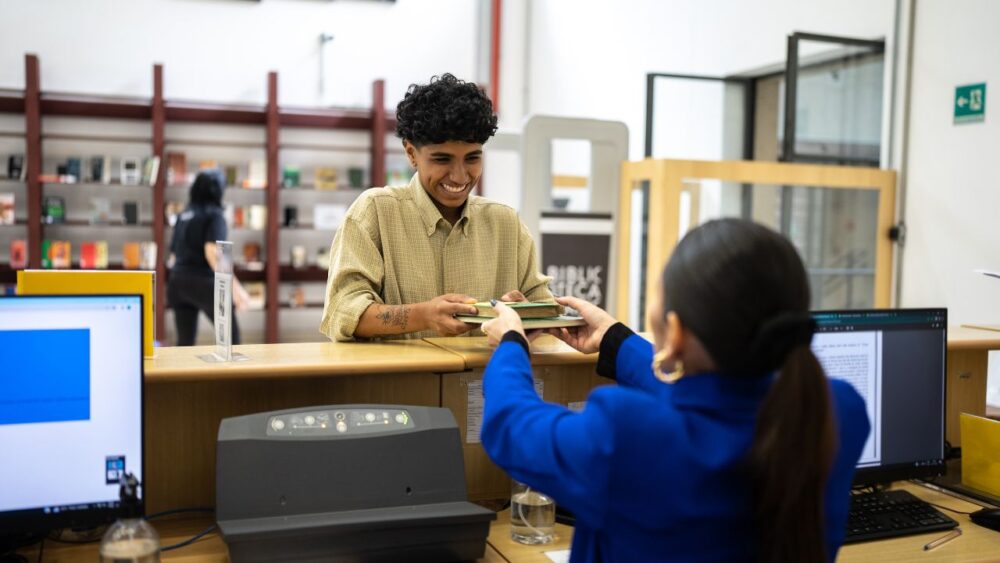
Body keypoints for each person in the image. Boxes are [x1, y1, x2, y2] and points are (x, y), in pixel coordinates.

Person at [479, 218, 870, 562]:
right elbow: (714, 402)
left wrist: (512, 342)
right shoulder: (835, 412)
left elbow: (512, 426)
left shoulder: (627, 433)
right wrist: (616, 340)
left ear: (678, 332)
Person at [320, 73, 553, 341]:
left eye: (472, 158)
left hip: (487, 381)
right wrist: (421, 316)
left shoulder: (506, 222)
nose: (459, 176)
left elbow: (546, 310)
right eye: (442, 159)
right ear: (411, 153)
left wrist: (525, 313)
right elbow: (342, 311)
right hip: (400, 383)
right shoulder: (374, 212)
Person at [167, 170, 248, 346]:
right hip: (204, 284)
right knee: (231, 340)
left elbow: (173, 255)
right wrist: (236, 288)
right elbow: (213, 253)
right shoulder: (215, 216)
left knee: (184, 343)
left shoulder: (183, 215)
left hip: (177, 282)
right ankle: (234, 374)